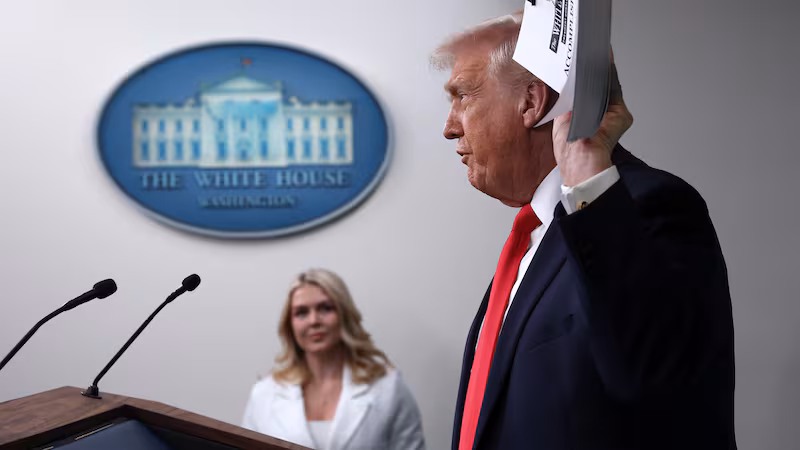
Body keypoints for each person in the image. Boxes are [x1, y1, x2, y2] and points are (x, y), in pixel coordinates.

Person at [432, 11, 736, 450]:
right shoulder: (534, 240)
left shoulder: (648, 205)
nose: (449, 126)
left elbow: (659, 382)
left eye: (462, 96)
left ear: (531, 103)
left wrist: (587, 174)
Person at [242, 268, 426, 450]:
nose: (314, 321)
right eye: (301, 312)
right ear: (289, 324)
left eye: (325, 308)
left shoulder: (389, 389)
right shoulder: (264, 395)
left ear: (344, 315)